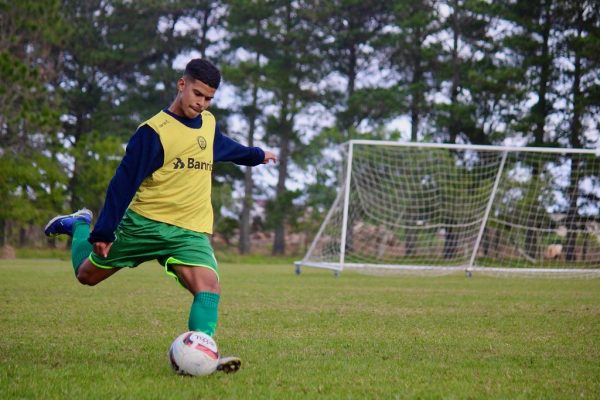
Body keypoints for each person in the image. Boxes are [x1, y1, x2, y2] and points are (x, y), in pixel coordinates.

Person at [44, 58, 277, 374]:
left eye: (208, 98)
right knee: (86, 276)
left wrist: (256, 155)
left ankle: (200, 353)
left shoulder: (207, 123)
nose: (201, 103)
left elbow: (224, 148)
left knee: (208, 287)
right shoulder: (153, 133)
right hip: (143, 226)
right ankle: (80, 225)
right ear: (182, 85)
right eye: (197, 94)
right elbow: (124, 182)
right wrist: (103, 231)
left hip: (188, 233)